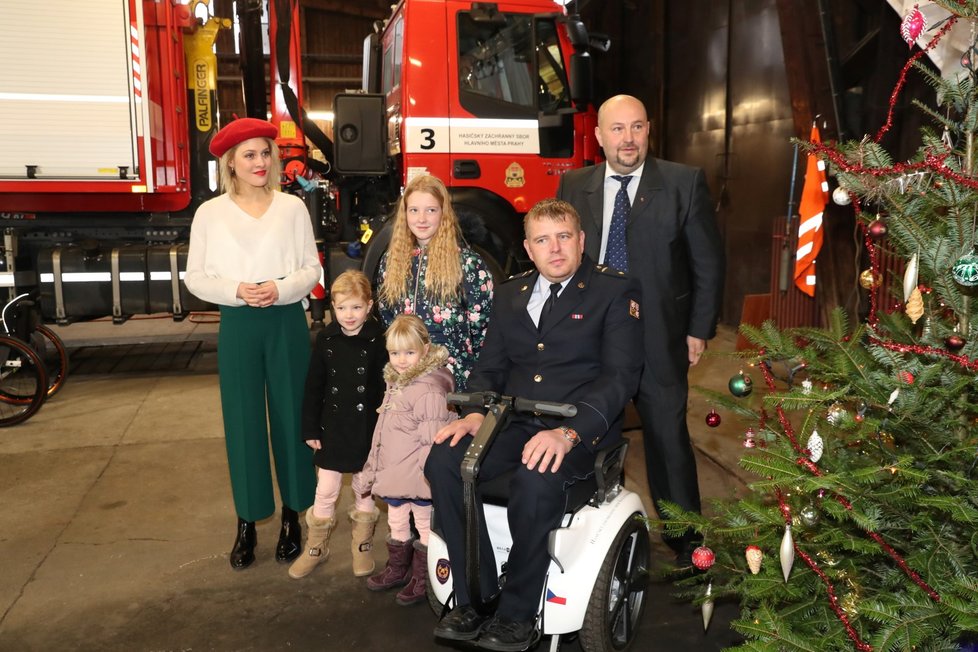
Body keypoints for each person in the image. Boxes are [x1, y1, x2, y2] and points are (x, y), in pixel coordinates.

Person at [425, 199, 643, 650]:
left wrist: (569, 432)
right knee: (443, 460)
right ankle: (476, 595)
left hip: (579, 431)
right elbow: (490, 368)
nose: (555, 248)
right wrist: (473, 415)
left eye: (564, 236)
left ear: (581, 241)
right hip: (515, 424)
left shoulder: (613, 292)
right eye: (543, 240)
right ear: (528, 247)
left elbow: (620, 378)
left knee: (535, 479)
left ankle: (517, 613)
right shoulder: (511, 294)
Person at [556, 94, 725, 564]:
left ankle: (687, 540)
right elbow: (559, 258)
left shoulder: (683, 183)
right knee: (588, 432)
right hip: (590, 337)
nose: (627, 139)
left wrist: (698, 329)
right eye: (617, 129)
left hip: (659, 335)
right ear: (599, 137)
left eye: (636, 128)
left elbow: (707, 264)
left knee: (668, 438)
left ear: (648, 129)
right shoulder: (574, 185)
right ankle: (596, 535)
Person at [185, 117, 321, 570]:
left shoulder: (292, 208)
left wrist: (281, 289)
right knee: (243, 423)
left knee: (292, 419)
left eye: (266, 153)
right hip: (238, 323)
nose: (260, 162)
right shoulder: (210, 213)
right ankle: (247, 521)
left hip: (286, 322)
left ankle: (292, 516)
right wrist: (238, 290)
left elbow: (311, 268)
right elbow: (196, 276)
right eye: (250, 155)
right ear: (231, 163)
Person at [289, 270, 387, 580]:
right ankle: (316, 548)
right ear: (332, 305)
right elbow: (314, 388)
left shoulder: (379, 340)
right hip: (332, 428)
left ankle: (362, 545)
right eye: (342, 307)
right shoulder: (325, 339)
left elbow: (387, 386)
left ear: (369, 306)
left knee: (364, 489)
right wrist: (310, 429)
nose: (349, 315)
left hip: (366, 429)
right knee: (326, 490)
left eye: (356, 307)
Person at [361, 314, 457, 606]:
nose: (401, 360)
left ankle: (423, 576)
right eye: (394, 353)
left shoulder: (428, 390)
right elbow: (382, 434)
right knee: (397, 520)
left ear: (425, 350)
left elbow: (433, 440)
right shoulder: (397, 383)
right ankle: (398, 568)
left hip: (419, 477)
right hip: (395, 475)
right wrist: (372, 469)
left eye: (409, 352)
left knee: (425, 525)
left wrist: (431, 480)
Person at [376, 174, 493, 391]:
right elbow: (388, 317)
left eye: (431, 210)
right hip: (405, 376)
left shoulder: (467, 263)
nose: (421, 219)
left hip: (451, 378)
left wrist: (475, 376)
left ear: (443, 214)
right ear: (405, 214)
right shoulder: (390, 261)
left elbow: (483, 326)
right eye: (414, 210)